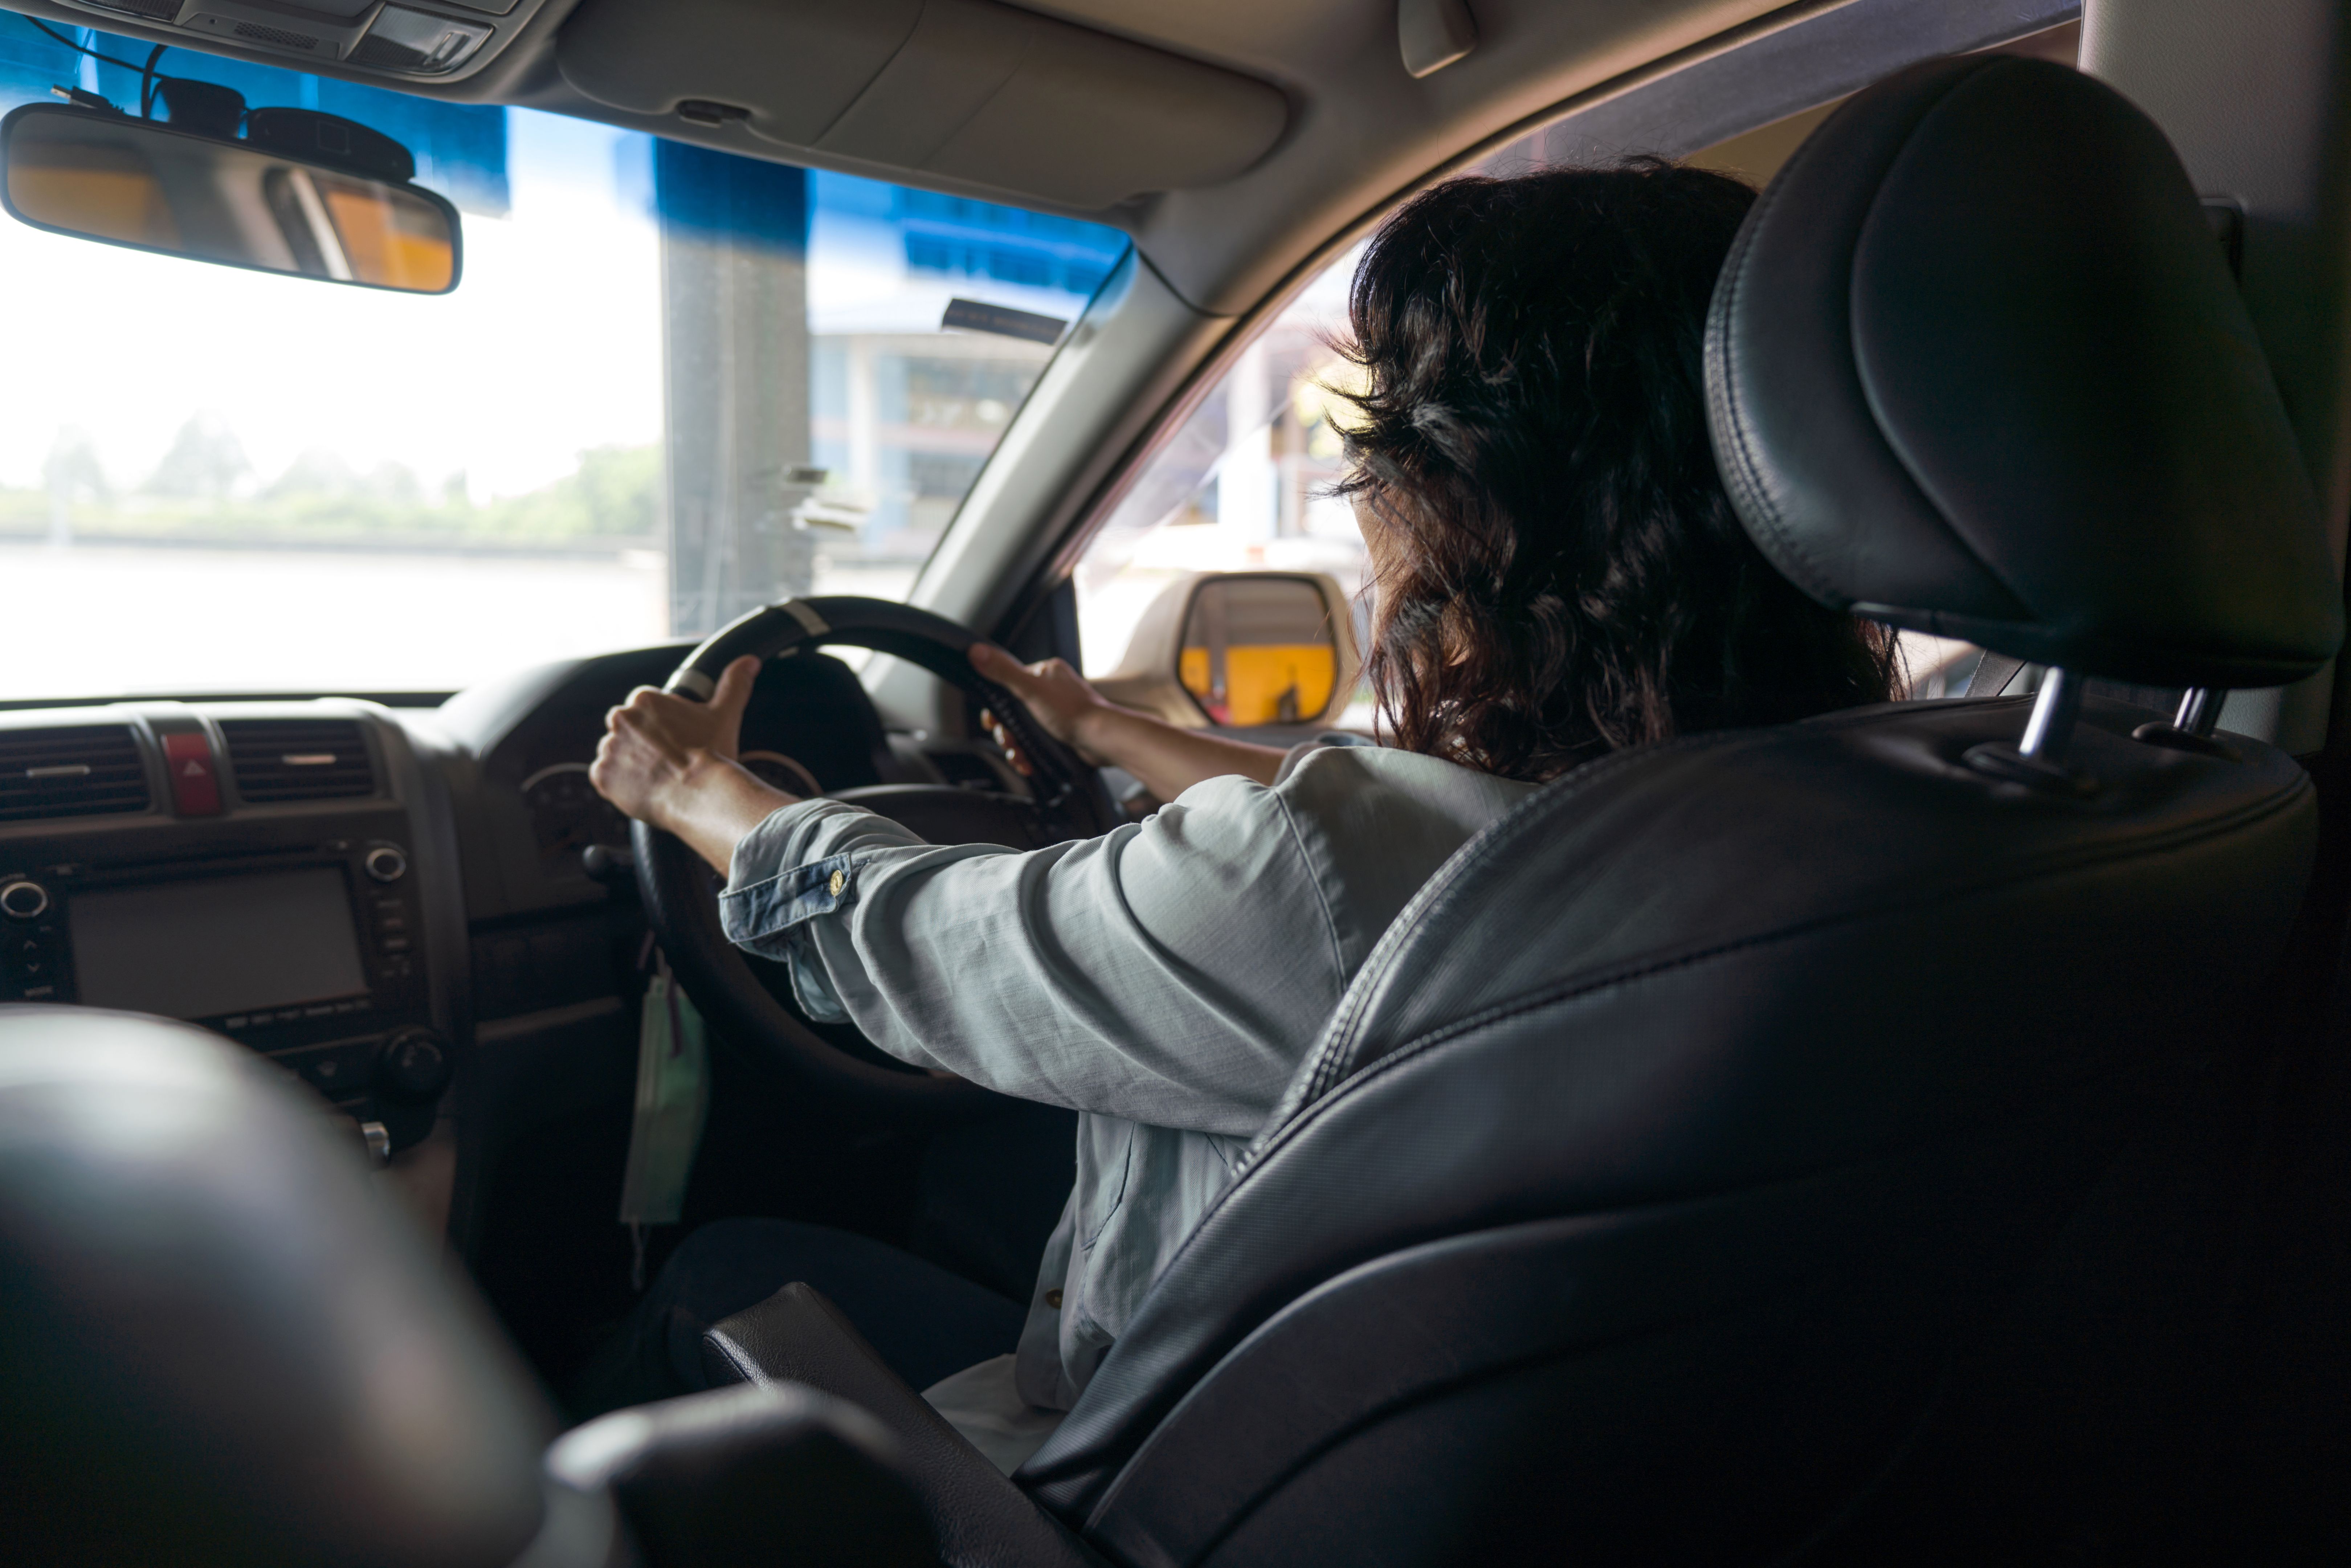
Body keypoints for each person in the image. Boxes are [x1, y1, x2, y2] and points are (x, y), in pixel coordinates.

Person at [581, 161, 1900, 1469]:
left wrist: (696, 791)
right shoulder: (1874, 811)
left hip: (1152, 1485)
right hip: (1532, 1459)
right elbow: (1409, 842)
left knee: (721, 1276)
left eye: (1377, 436)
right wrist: (1110, 734)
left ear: (1459, 497)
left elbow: (931, 940)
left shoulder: (1326, 881)